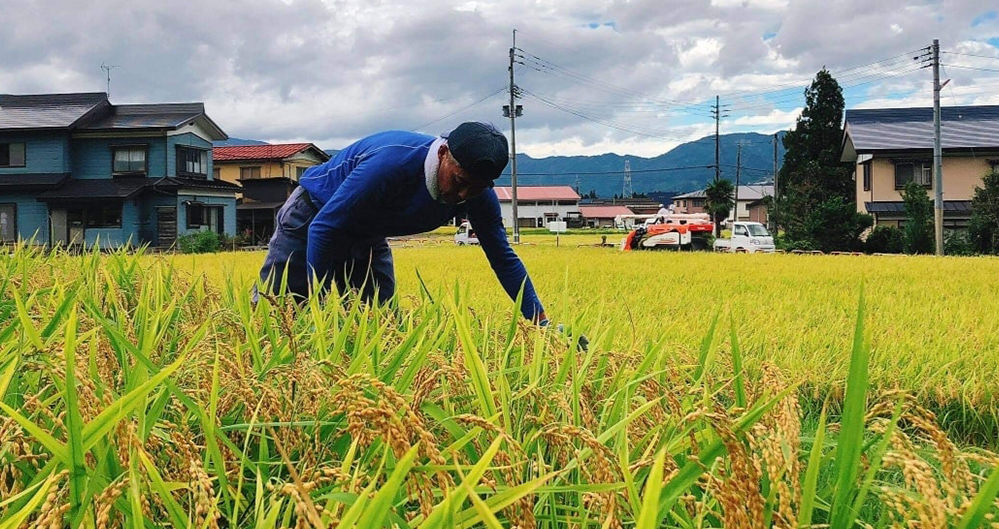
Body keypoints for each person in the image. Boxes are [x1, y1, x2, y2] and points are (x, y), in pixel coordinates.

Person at [257, 122, 548, 324]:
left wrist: (539, 320)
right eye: (459, 181)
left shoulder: (479, 196)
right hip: (312, 215)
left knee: (377, 323)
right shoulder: (391, 164)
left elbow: (502, 257)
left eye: (475, 187)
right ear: (443, 153)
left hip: (368, 231)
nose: (462, 195)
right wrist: (317, 303)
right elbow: (324, 228)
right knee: (282, 313)